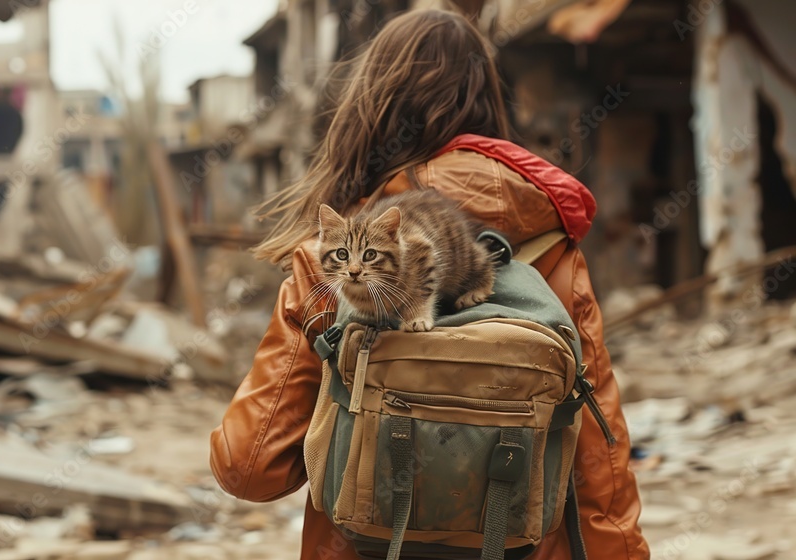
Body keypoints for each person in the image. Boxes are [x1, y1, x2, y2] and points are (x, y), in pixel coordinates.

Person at [210, 9, 649, 560]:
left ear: (371, 109)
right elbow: (598, 465)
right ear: (490, 103)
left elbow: (248, 469)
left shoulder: (332, 254)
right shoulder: (553, 250)